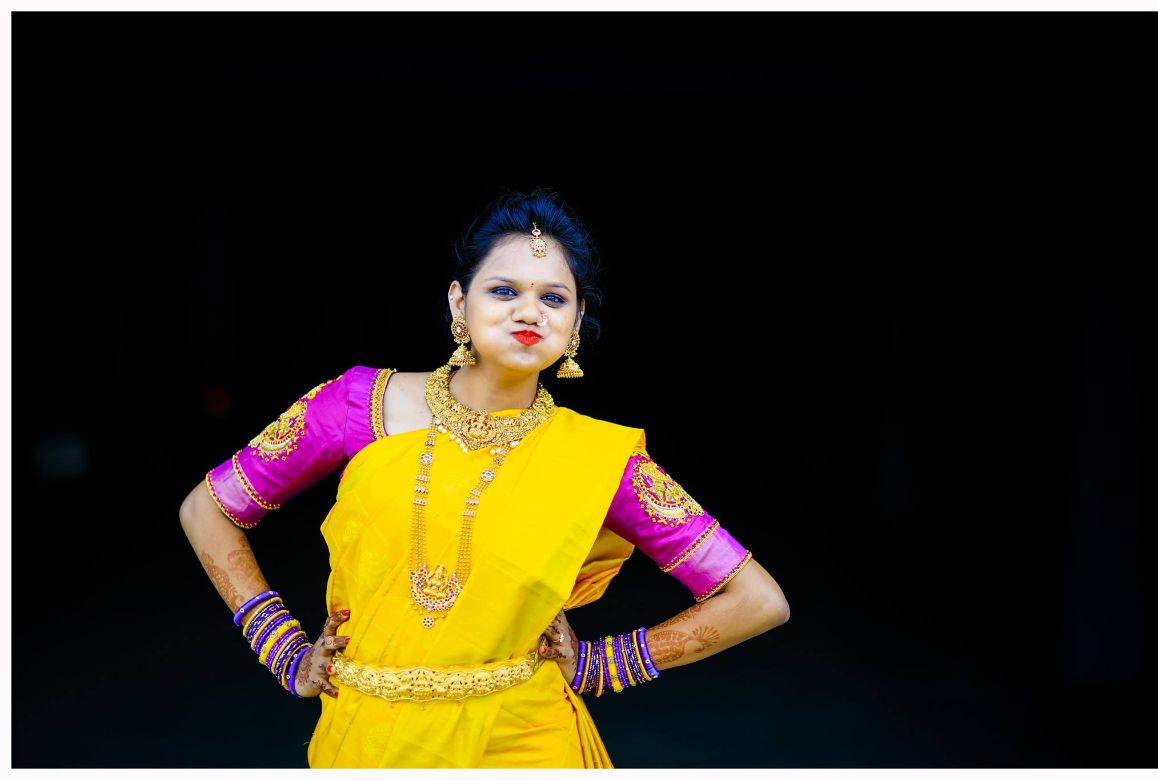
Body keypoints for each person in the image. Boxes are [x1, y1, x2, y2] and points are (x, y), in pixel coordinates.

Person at [178, 188, 791, 768]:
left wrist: (606, 664)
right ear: (457, 302)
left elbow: (756, 601)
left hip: (525, 741)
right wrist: (281, 648)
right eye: (503, 290)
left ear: (576, 322)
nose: (530, 311)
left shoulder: (601, 458)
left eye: (554, 298)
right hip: (369, 739)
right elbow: (207, 509)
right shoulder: (355, 406)